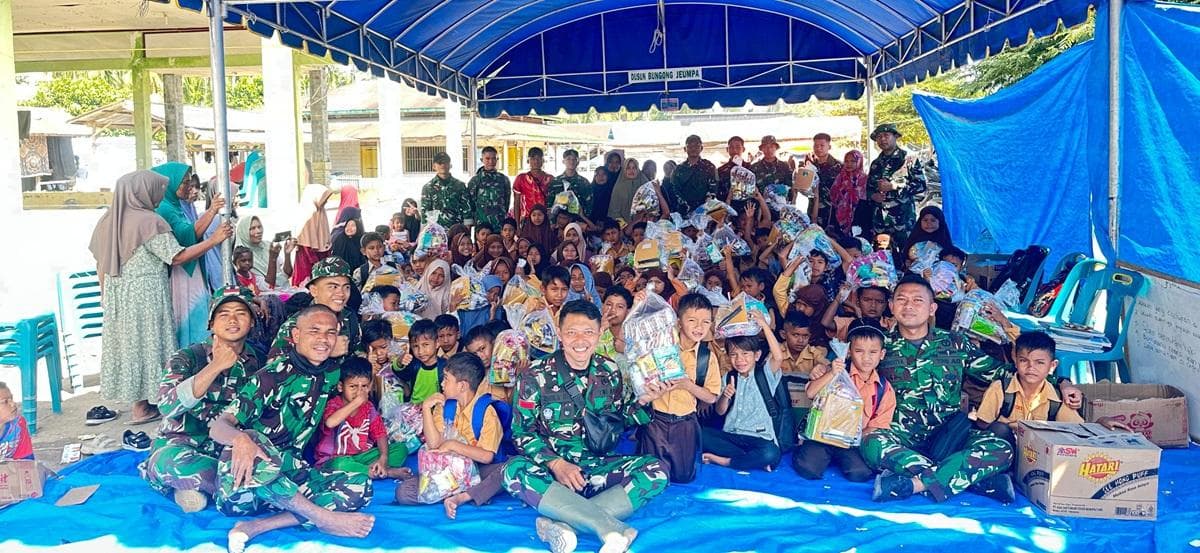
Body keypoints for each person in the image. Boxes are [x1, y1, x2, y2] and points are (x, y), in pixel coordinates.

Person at [862, 275, 1082, 504]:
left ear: (932, 308)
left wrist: (1063, 382)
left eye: (918, 300)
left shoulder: (955, 344)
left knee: (1001, 449)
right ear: (891, 306)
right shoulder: (878, 347)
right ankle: (972, 478)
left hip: (949, 437)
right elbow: (849, 378)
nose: (908, 306)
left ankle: (913, 484)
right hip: (899, 435)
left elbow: (1007, 373)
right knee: (870, 443)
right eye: (902, 299)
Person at [503, 300, 672, 553]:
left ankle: (562, 522)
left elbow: (618, 421)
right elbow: (522, 433)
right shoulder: (534, 375)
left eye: (588, 332)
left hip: (596, 468)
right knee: (513, 470)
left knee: (656, 470)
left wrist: (645, 401)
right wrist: (556, 464)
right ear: (560, 334)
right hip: (554, 474)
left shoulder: (609, 370)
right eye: (572, 332)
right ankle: (608, 528)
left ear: (599, 334)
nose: (580, 340)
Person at [210, 305, 374, 552]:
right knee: (253, 439)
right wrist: (240, 440)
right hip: (246, 486)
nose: (323, 339)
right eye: (314, 331)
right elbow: (218, 427)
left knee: (359, 485)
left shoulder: (330, 373)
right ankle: (323, 518)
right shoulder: (271, 376)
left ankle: (255, 527)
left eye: (330, 333)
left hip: (289, 478)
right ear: (296, 336)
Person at [89, 170, 231, 426]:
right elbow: (176, 256)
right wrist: (216, 240)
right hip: (146, 294)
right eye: (155, 190)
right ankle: (156, 403)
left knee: (132, 348)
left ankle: (139, 406)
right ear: (142, 191)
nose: (157, 196)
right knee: (151, 344)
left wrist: (104, 296)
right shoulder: (148, 222)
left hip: (117, 295)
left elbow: (100, 261)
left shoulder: (107, 220)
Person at [141, 287, 260, 512]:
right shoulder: (187, 357)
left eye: (241, 313)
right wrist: (215, 366)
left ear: (252, 322)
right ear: (211, 324)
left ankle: (201, 488)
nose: (232, 320)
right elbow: (167, 405)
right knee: (169, 462)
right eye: (224, 314)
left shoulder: (259, 361)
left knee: (261, 464)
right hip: (182, 444)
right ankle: (224, 487)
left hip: (228, 447)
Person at [396, 352, 511, 518]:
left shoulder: (486, 411)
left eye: (446, 379)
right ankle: (471, 492)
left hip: (478, 470)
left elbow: (486, 457)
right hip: (448, 471)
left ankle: (462, 496)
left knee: (507, 470)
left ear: (462, 386)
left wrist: (452, 445)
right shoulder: (445, 406)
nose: (441, 383)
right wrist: (427, 408)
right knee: (404, 492)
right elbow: (434, 444)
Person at [793, 325, 896, 482]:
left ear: (882, 354)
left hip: (851, 443)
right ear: (849, 352)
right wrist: (832, 372)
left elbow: (877, 425)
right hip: (822, 437)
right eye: (859, 351)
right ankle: (808, 450)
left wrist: (853, 436)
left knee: (860, 474)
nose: (866, 358)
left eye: (873, 352)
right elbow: (811, 393)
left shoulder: (883, 388)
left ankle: (835, 458)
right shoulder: (836, 371)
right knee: (808, 469)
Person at [637, 293, 721, 484]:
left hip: (685, 423)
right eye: (692, 320)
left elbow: (711, 397)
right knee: (652, 477)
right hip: (655, 420)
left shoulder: (706, 358)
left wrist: (687, 385)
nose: (699, 327)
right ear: (679, 321)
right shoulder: (659, 346)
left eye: (705, 322)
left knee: (683, 477)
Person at [702, 311, 790, 472]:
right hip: (732, 435)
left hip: (760, 438)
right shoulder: (729, 377)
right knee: (700, 434)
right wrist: (725, 396)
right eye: (734, 355)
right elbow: (720, 412)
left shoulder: (764, 373)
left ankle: (725, 461)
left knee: (770, 452)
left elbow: (778, 357)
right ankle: (751, 460)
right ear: (728, 357)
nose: (739, 360)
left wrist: (764, 325)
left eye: (745, 354)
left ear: (756, 355)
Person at [973, 331, 1093, 449]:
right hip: (1006, 449)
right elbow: (983, 424)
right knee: (999, 429)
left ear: (1052, 366)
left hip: (1039, 452)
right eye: (1024, 360)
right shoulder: (1000, 389)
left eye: (1039, 363)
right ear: (1015, 360)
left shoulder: (1058, 397)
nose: (1031, 367)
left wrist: (1100, 422)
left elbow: (1078, 429)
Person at [154, 162, 223, 348]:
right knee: (191, 316)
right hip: (182, 273)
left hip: (191, 267)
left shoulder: (176, 206)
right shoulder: (165, 208)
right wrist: (212, 211)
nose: (188, 188)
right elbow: (186, 236)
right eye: (184, 183)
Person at [315, 358, 409, 479]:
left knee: (401, 449)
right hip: (334, 460)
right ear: (340, 387)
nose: (359, 392)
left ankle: (374, 469)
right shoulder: (334, 404)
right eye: (353, 386)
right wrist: (357, 402)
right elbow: (330, 422)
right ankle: (385, 472)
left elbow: (380, 434)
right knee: (340, 465)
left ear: (370, 386)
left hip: (361, 457)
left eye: (364, 386)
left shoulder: (369, 408)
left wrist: (383, 458)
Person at [270, 257, 358, 360]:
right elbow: (273, 368)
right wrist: (325, 352)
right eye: (333, 287)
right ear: (314, 290)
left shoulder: (349, 317)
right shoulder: (295, 325)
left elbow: (356, 351)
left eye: (346, 287)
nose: (341, 293)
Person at [866, 124, 927, 249]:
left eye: (886, 136)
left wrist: (895, 186)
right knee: (882, 260)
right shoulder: (876, 164)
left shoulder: (908, 159)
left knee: (907, 255)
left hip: (903, 219)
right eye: (879, 137)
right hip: (881, 220)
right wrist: (873, 196)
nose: (882, 139)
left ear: (895, 137)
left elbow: (921, 186)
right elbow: (868, 189)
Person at [291, 181, 335, 286]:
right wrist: (317, 264)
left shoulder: (320, 212)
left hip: (321, 259)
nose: (325, 202)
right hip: (308, 261)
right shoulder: (306, 214)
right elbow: (305, 244)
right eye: (324, 198)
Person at [235, 216, 293, 289]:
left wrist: (287, 254)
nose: (258, 231)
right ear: (243, 231)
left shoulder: (267, 246)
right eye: (252, 228)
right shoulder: (242, 256)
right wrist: (272, 259)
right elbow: (266, 287)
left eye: (259, 227)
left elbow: (286, 274)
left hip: (285, 289)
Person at [822, 284, 895, 342]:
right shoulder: (849, 323)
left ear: (886, 305)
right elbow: (826, 322)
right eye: (867, 300)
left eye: (879, 301)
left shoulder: (890, 324)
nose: (873, 305)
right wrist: (838, 298)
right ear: (858, 302)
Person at [396, 320, 447, 403]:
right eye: (415, 346)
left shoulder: (445, 366)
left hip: (436, 411)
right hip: (414, 409)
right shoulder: (414, 364)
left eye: (425, 345)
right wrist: (399, 361)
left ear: (437, 343)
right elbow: (399, 373)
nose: (420, 351)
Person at [666, 135, 718, 215]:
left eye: (696, 146)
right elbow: (675, 190)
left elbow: (714, 189)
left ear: (701, 148)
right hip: (684, 213)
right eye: (690, 146)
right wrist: (686, 206)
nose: (693, 149)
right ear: (685, 149)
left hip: (705, 212)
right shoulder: (678, 170)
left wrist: (704, 207)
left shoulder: (709, 167)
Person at [803, 133, 844, 228]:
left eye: (822, 145)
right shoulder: (810, 166)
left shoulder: (839, 166)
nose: (818, 148)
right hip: (813, 209)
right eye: (816, 146)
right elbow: (804, 188)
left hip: (833, 211)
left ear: (829, 146)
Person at [468, 146, 512, 231]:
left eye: (494, 158)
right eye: (487, 158)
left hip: (499, 224)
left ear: (497, 159)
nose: (491, 161)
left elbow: (506, 202)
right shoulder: (476, 180)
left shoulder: (503, 179)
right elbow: (471, 204)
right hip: (482, 225)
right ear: (482, 160)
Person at [421, 152, 471, 227]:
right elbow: (425, 212)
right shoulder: (428, 187)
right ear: (434, 166)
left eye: (445, 162)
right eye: (440, 163)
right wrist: (426, 232)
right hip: (436, 231)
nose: (443, 165)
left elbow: (466, 208)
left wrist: (467, 228)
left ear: (450, 165)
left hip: (456, 229)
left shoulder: (460, 186)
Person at [828, 150, 869, 236]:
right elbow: (833, 195)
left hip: (859, 215)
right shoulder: (840, 178)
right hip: (839, 215)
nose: (849, 164)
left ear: (859, 161)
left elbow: (866, 200)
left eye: (853, 161)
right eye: (846, 161)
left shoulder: (864, 179)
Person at [548, 149, 593, 220]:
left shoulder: (584, 182)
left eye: (574, 159)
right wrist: (552, 221)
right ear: (563, 161)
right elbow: (550, 203)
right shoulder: (555, 182)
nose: (571, 162)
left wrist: (584, 219)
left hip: (578, 221)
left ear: (578, 162)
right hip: (559, 222)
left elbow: (589, 204)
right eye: (568, 159)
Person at [513, 147, 553, 223]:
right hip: (527, 219)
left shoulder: (550, 179)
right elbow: (516, 203)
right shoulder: (521, 178)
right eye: (533, 158)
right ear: (528, 160)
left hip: (546, 219)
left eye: (539, 158)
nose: (536, 161)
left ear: (543, 160)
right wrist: (517, 225)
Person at [0, 382, 33, 461]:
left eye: (11, 399)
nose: (13, 404)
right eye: (5, 402)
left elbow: (26, 462)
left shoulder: (18, 424)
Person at [716, 136, 746, 203]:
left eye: (738, 147)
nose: (734, 150)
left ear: (743, 149)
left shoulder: (750, 168)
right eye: (731, 147)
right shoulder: (720, 171)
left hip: (747, 210)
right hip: (726, 208)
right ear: (727, 149)